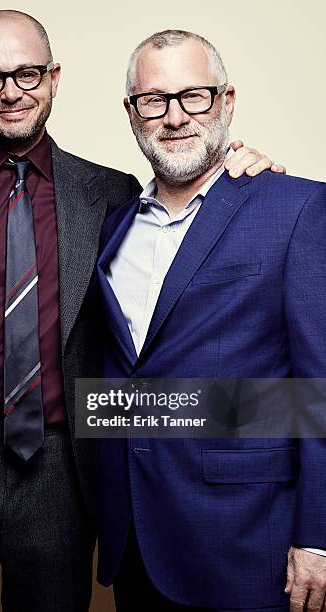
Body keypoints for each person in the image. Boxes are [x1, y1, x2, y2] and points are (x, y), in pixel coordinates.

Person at [0, 10, 279, 611]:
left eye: (27, 73)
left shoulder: (116, 197)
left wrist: (241, 174)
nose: (12, 91)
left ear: (54, 77)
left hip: (64, 481)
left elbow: (187, 227)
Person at [97, 29, 326, 612]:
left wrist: (318, 537)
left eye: (194, 96)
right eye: (155, 100)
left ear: (226, 100)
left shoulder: (295, 208)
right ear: (132, 113)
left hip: (248, 540)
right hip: (136, 538)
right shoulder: (114, 224)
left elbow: (316, 386)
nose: (175, 117)